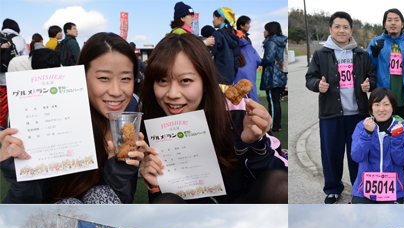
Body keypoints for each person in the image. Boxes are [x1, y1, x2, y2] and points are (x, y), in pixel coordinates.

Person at [138, 33, 287, 204]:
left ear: (205, 80)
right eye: (162, 80)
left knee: (280, 185)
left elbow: (279, 179)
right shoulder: (153, 123)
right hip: (191, 222)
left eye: (186, 80)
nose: (172, 94)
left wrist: (255, 143)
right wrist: (157, 186)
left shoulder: (237, 112)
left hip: (245, 213)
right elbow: (164, 202)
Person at [1, 32, 146, 204]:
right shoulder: (52, 122)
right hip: (52, 223)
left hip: (102, 225)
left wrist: (119, 173)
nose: (116, 91)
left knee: (100, 194)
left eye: (125, 78)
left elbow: (121, 203)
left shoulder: (127, 129)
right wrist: (24, 178)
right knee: (68, 204)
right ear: (82, 77)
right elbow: (24, 210)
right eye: (104, 78)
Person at [305, 11, 375, 204]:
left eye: (345, 27)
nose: (341, 30)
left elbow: (373, 76)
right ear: (330, 29)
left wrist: (370, 85)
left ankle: (359, 187)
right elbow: (309, 78)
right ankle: (333, 189)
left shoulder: (361, 54)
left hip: (358, 114)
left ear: (351, 30)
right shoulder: (321, 54)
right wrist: (317, 84)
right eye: (337, 26)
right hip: (331, 113)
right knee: (331, 153)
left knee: (358, 154)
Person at [367, 9, 404, 188]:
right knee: (382, 133)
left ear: (402, 24)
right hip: (383, 97)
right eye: (389, 20)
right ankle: (381, 167)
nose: (393, 23)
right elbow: (368, 67)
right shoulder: (376, 41)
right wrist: (374, 54)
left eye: (397, 20)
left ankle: (402, 169)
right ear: (384, 24)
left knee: (402, 134)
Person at [350, 88, 404, 204]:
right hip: (365, 188)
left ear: (393, 106)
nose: (381, 109)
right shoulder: (362, 126)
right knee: (361, 220)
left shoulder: (402, 127)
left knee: (389, 220)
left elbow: (401, 161)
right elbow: (357, 157)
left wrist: (396, 138)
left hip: (392, 188)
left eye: (386, 104)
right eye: (377, 104)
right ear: (371, 107)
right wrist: (367, 133)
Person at [1, 18, 28, 130]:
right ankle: (15, 124)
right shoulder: (19, 39)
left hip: (0, 75)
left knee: (2, 101)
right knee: (16, 101)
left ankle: (1, 124)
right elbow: (25, 56)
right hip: (14, 76)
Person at [260, 21, 287, 133]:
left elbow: (268, 59)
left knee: (272, 101)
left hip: (272, 75)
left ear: (269, 30)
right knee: (276, 101)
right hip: (279, 74)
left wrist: (257, 61)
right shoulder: (280, 41)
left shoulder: (271, 42)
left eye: (265, 29)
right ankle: (277, 125)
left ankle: (273, 127)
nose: (264, 32)